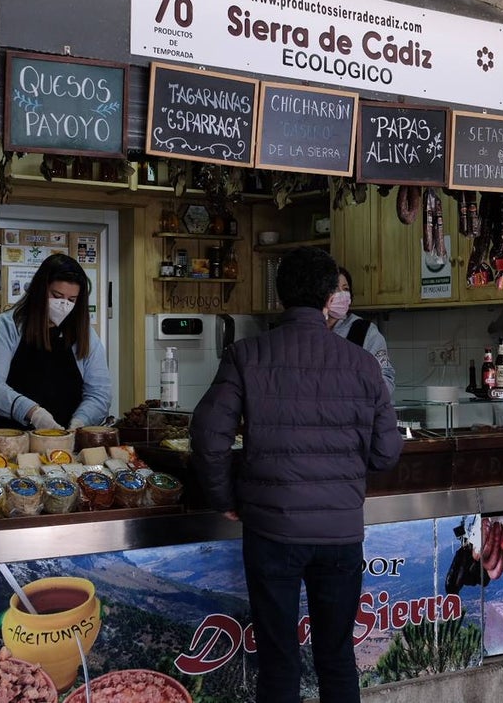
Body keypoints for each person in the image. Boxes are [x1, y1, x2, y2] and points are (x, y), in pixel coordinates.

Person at [190, 246, 402, 703]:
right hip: (341, 536)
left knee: (278, 660)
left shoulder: (246, 355)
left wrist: (225, 496)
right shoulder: (362, 364)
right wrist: (342, 473)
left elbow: (209, 437)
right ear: (331, 297)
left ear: (281, 295)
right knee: (337, 657)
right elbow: (387, 452)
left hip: (271, 532)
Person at [0, 253, 112, 431]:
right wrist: (33, 412)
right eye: (56, 296)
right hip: (12, 439)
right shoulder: (7, 327)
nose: (63, 305)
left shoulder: (85, 335)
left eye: (71, 300)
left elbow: (99, 393)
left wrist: (80, 422)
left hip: (66, 440)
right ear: (40, 290)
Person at [327, 266, 396, 395]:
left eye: (345, 289)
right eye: (335, 289)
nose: (341, 294)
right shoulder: (309, 330)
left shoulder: (365, 332)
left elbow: (386, 379)